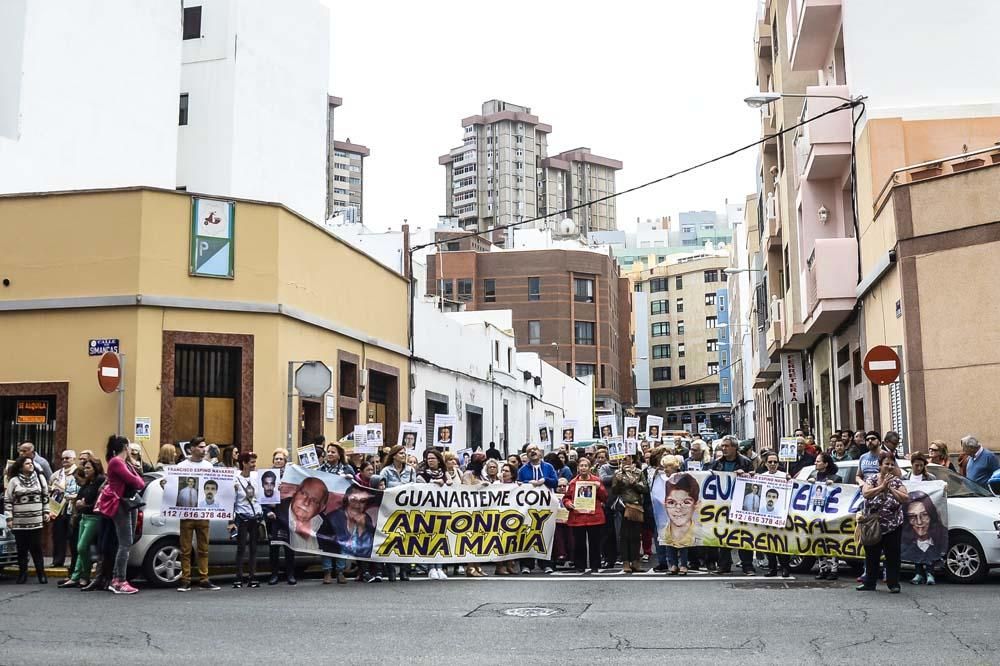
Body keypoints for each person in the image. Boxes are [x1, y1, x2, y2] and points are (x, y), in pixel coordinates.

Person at [95, 435, 145, 595]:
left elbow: (138, 480)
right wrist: (134, 472)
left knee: (127, 542)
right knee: (125, 543)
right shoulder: (117, 462)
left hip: (128, 503)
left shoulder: (124, 463)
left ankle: (118, 578)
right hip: (120, 504)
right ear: (125, 447)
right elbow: (138, 482)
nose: (131, 449)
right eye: (129, 446)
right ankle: (119, 580)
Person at [173, 437, 220, 592]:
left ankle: (204, 578)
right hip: (186, 514)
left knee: (204, 548)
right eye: (200, 447)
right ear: (191, 448)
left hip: (203, 513)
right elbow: (173, 487)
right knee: (185, 548)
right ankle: (185, 579)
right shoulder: (181, 466)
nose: (203, 450)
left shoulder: (208, 466)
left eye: (204, 447)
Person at [857, 452, 908, 593]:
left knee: (893, 555)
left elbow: (905, 497)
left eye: (892, 464)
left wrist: (890, 487)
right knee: (872, 555)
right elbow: (866, 493)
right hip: (873, 525)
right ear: (880, 465)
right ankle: (869, 582)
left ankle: (893, 583)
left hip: (893, 525)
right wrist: (881, 487)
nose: (889, 467)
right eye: (886, 464)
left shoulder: (897, 481)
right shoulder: (871, 479)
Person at [711, 436, 755, 575]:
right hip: (722, 505)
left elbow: (753, 482)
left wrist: (748, 475)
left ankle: (747, 565)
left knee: (743, 534)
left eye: (727, 446)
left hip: (740, 504)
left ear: (735, 448)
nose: (724, 448)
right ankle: (724, 565)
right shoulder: (717, 463)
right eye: (722, 446)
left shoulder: (746, 462)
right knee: (724, 534)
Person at [59, 458, 105, 589]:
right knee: (80, 550)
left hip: (93, 518)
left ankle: (85, 575)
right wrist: (80, 503)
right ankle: (76, 577)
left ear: (96, 469)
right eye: (85, 468)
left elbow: (97, 502)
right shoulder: (88, 482)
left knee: (82, 547)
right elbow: (79, 498)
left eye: (88, 468)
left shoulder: (100, 481)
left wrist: (83, 504)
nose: (85, 470)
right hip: (84, 517)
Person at [4, 455, 49, 584]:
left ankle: (41, 574)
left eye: (31, 463)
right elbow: (8, 501)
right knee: (21, 549)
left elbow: (45, 497)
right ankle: (22, 573)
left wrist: (46, 512)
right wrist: (9, 519)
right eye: (27, 463)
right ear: (21, 467)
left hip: (35, 520)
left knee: (36, 548)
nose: (31, 465)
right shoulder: (14, 481)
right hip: (19, 522)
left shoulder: (40, 479)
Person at [563, 457, 607, 574]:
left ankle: (595, 565)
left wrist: (599, 489)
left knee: (595, 543)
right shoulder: (573, 483)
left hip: (594, 517)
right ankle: (580, 565)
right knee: (579, 543)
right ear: (578, 468)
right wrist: (568, 504)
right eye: (581, 466)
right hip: (578, 517)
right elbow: (566, 498)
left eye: (585, 466)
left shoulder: (596, 481)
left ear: (589, 468)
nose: (583, 468)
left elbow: (605, 497)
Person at [326, 485, 379, 577]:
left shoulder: (367, 519)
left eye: (362, 501)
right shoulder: (333, 518)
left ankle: (363, 572)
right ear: (346, 500)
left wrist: (363, 526)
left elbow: (374, 542)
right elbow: (324, 539)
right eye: (353, 500)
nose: (357, 505)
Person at [264, 447, 297, 585]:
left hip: (288, 514)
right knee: (274, 547)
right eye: (276, 458)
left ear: (285, 461)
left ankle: (290, 574)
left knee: (289, 547)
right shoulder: (266, 476)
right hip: (273, 516)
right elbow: (261, 498)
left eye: (281, 459)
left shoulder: (291, 477)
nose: (278, 461)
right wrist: (267, 511)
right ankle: (274, 574)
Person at [230, 452, 263, 588]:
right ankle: (238, 578)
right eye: (251, 462)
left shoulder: (257, 477)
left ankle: (252, 577)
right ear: (243, 463)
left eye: (255, 462)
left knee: (254, 549)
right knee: (241, 548)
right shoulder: (235, 479)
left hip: (255, 517)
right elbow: (230, 501)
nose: (254, 465)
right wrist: (230, 521)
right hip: (241, 517)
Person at [612, 455, 648, 574]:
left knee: (636, 535)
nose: (624, 461)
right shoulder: (618, 473)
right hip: (623, 505)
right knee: (624, 535)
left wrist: (635, 484)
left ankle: (636, 561)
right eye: (622, 459)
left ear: (632, 459)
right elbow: (614, 491)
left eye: (626, 458)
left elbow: (645, 489)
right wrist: (618, 482)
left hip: (636, 505)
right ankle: (626, 562)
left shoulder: (638, 472)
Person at [902, 491, 947, 586]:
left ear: (931, 515)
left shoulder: (940, 537)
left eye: (925, 515)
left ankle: (930, 573)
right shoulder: (906, 542)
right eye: (912, 517)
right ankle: (918, 573)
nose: (919, 522)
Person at [661, 472, 701, 575]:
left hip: (690, 532)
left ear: (696, 505)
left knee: (684, 543)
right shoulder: (663, 530)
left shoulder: (701, 531)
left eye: (686, 502)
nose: (678, 508)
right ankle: (673, 564)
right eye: (671, 502)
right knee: (669, 543)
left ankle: (684, 565)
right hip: (668, 532)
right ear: (664, 503)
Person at [49, 449, 79, 571]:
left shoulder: (78, 473)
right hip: (58, 509)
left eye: (67, 458)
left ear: (73, 459)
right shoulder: (56, 475)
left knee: (73, 536)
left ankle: (74, 561)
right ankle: (57, 560)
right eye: (63, 458)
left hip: (72, 508)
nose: (65, 461)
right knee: (58, 535)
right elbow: (49, 488)